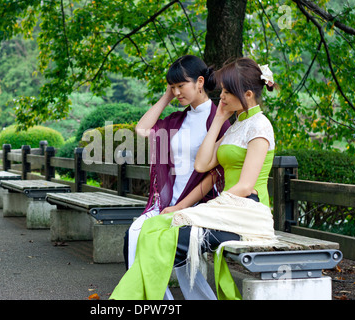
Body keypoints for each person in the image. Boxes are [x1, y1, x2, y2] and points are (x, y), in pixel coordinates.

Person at [111, 57, 278, 300]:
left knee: (169, 237)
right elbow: (202, 164)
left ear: (248, 94)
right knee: (151, 228)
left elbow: (245, 186)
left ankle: (133, 299)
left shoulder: (260, 127)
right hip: (229, 211)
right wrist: (220, 118)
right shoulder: (237, 126)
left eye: (227, 92)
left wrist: (202, 209)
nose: (221, 96)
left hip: (248, 215)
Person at [124, 55, 231, 300]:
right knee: (135, 233)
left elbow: (217, 175)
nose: (176, 91)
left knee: (151, 237)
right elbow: (142, 130)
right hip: (165, 203)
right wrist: (167, 96)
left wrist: (181, 207)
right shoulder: (177, 119)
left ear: (200, 82)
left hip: (198, 204)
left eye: (181, 85)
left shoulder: (218, 121)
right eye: (172, 86)